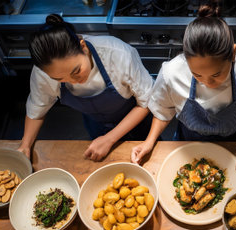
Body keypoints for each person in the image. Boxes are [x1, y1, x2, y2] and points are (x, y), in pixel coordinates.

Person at [131, 3, 236, 170]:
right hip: (187, 147)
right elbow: (163, 111)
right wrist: (149, 142)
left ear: (233, 54)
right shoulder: (171, 73)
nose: (207, 82)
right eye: (197, 74)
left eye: (216, 75)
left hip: (235, 147)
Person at [17, 14, 154, 161]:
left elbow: (147, 101)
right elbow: (37, 108)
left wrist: (109, 139)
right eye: (60, 79)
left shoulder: (118, 54)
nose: (73, 81)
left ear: (83, 47)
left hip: (138, 119)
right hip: (97, 125)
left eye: (76, 71)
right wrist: (25, 144)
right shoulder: (44, 73)